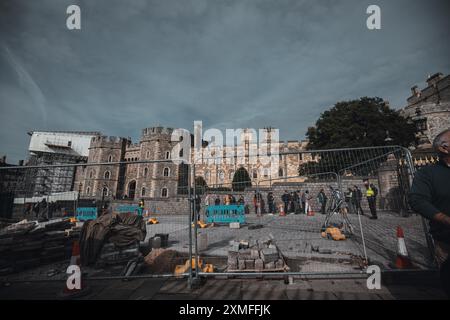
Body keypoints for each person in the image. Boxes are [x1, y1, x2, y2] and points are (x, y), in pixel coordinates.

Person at [409, 129, 450, 296]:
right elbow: (417, 201)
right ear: (444, 148)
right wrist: (445, 219)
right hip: (447, 239)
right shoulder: (428, 173)